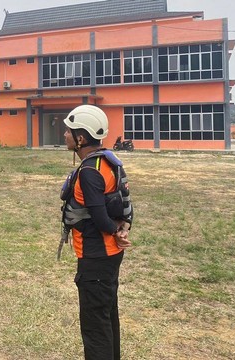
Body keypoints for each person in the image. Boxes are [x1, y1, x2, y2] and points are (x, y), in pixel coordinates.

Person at [60, 105, 133, 360]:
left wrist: (114, 230)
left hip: (96, 256)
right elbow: (123, 202)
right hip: (110, 254)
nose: (65, 135)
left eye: (69, 131)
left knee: (95, 326)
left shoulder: (90, 171)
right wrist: (122, 230)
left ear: (81, 138)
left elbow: (100, 215)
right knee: (107, 315)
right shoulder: (108, 161)